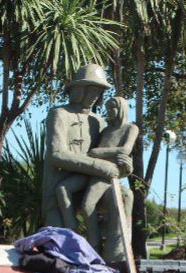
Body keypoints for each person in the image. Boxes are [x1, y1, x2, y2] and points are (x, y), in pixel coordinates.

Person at [56, 96, 138, 252]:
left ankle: (95, 244)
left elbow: (125, 150)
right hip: (95, 170)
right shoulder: (106, 130)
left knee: (88, 205)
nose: (109, 112)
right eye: (107, 109)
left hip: (108, 173)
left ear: (121, 109)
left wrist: (97, 152)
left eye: (112, 108)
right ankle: (78, 232)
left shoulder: (130, 128)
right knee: (64, 189)